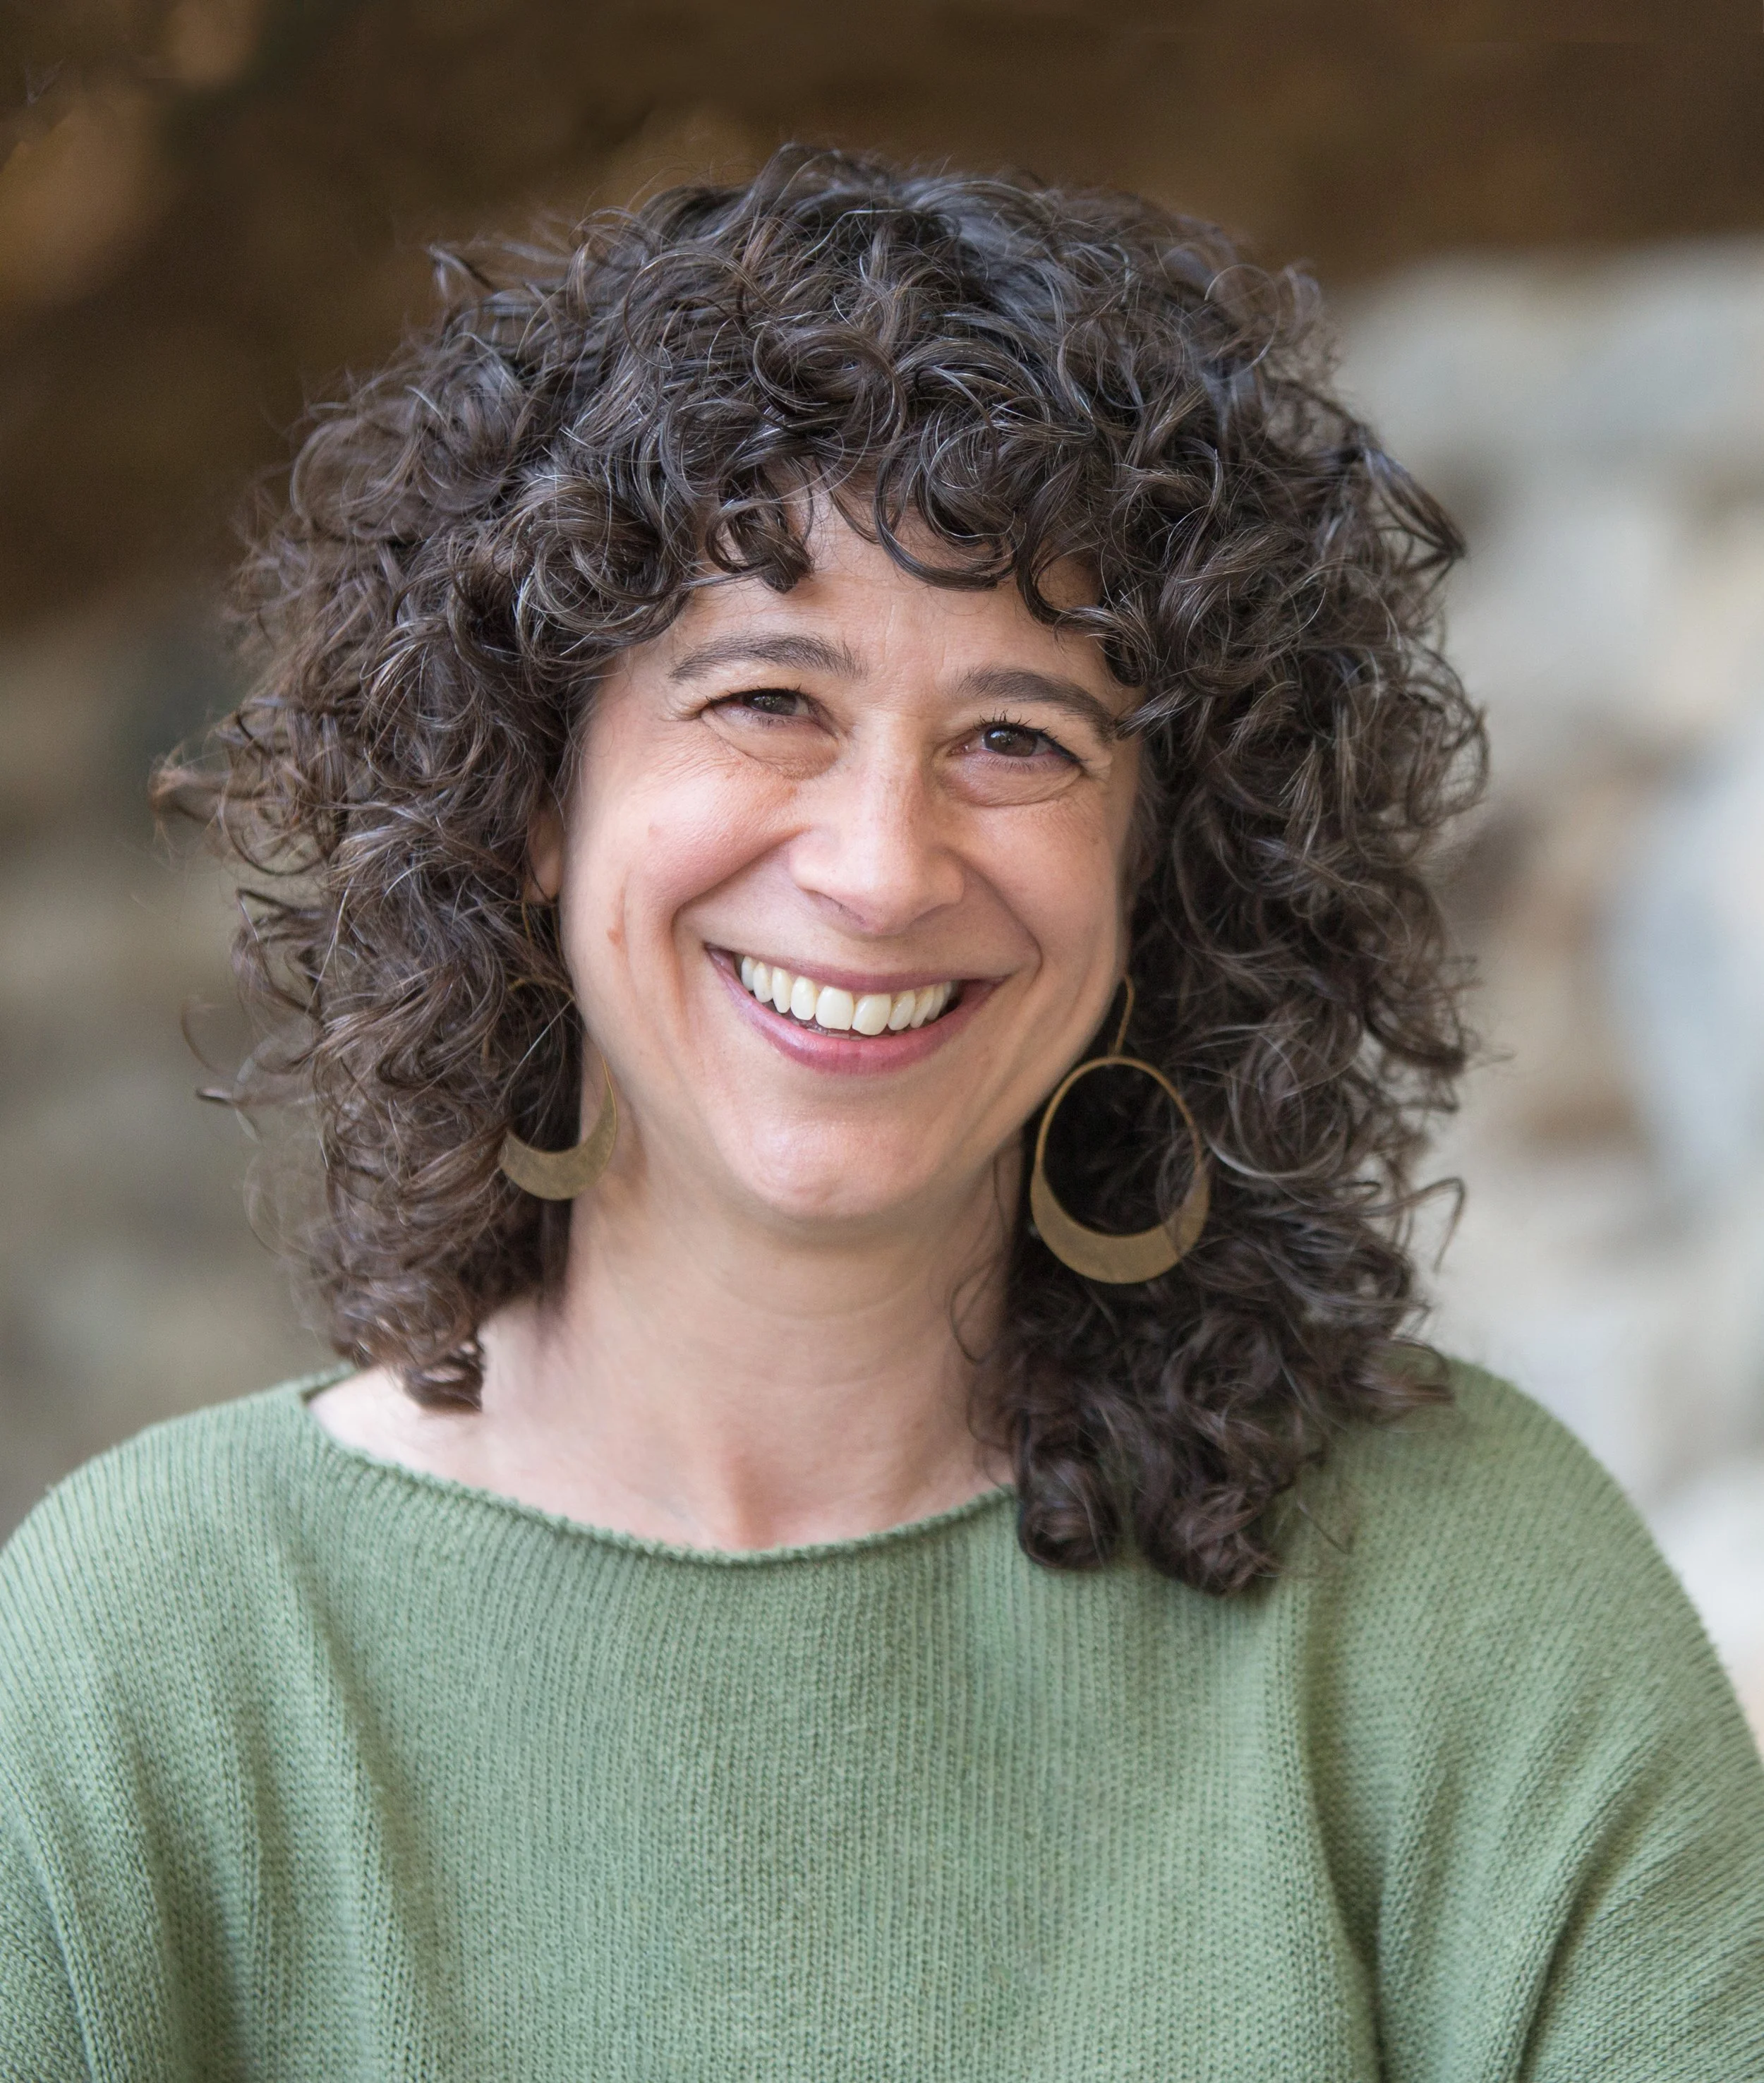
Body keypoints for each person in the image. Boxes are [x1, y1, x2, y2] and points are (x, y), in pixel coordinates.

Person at [2, 147, 1760, 2080]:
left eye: (1016, 737)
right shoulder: (154, 1652)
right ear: (532, 800)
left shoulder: (1459, 1595)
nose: (878, 867)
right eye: (768, 699)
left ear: (1163, 874)